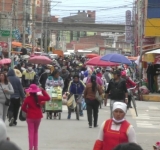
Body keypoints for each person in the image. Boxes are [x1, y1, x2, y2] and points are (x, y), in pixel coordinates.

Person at [21, 84, 50, 150]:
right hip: (38, 116)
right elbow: (48, 98)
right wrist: (43, 91)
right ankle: (36, 148)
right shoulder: (39, 97)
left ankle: (30, 148)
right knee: (36, 132)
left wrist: (27, 111)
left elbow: (23, 108)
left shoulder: (27, 99)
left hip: (30, 117)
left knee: (31, 132)